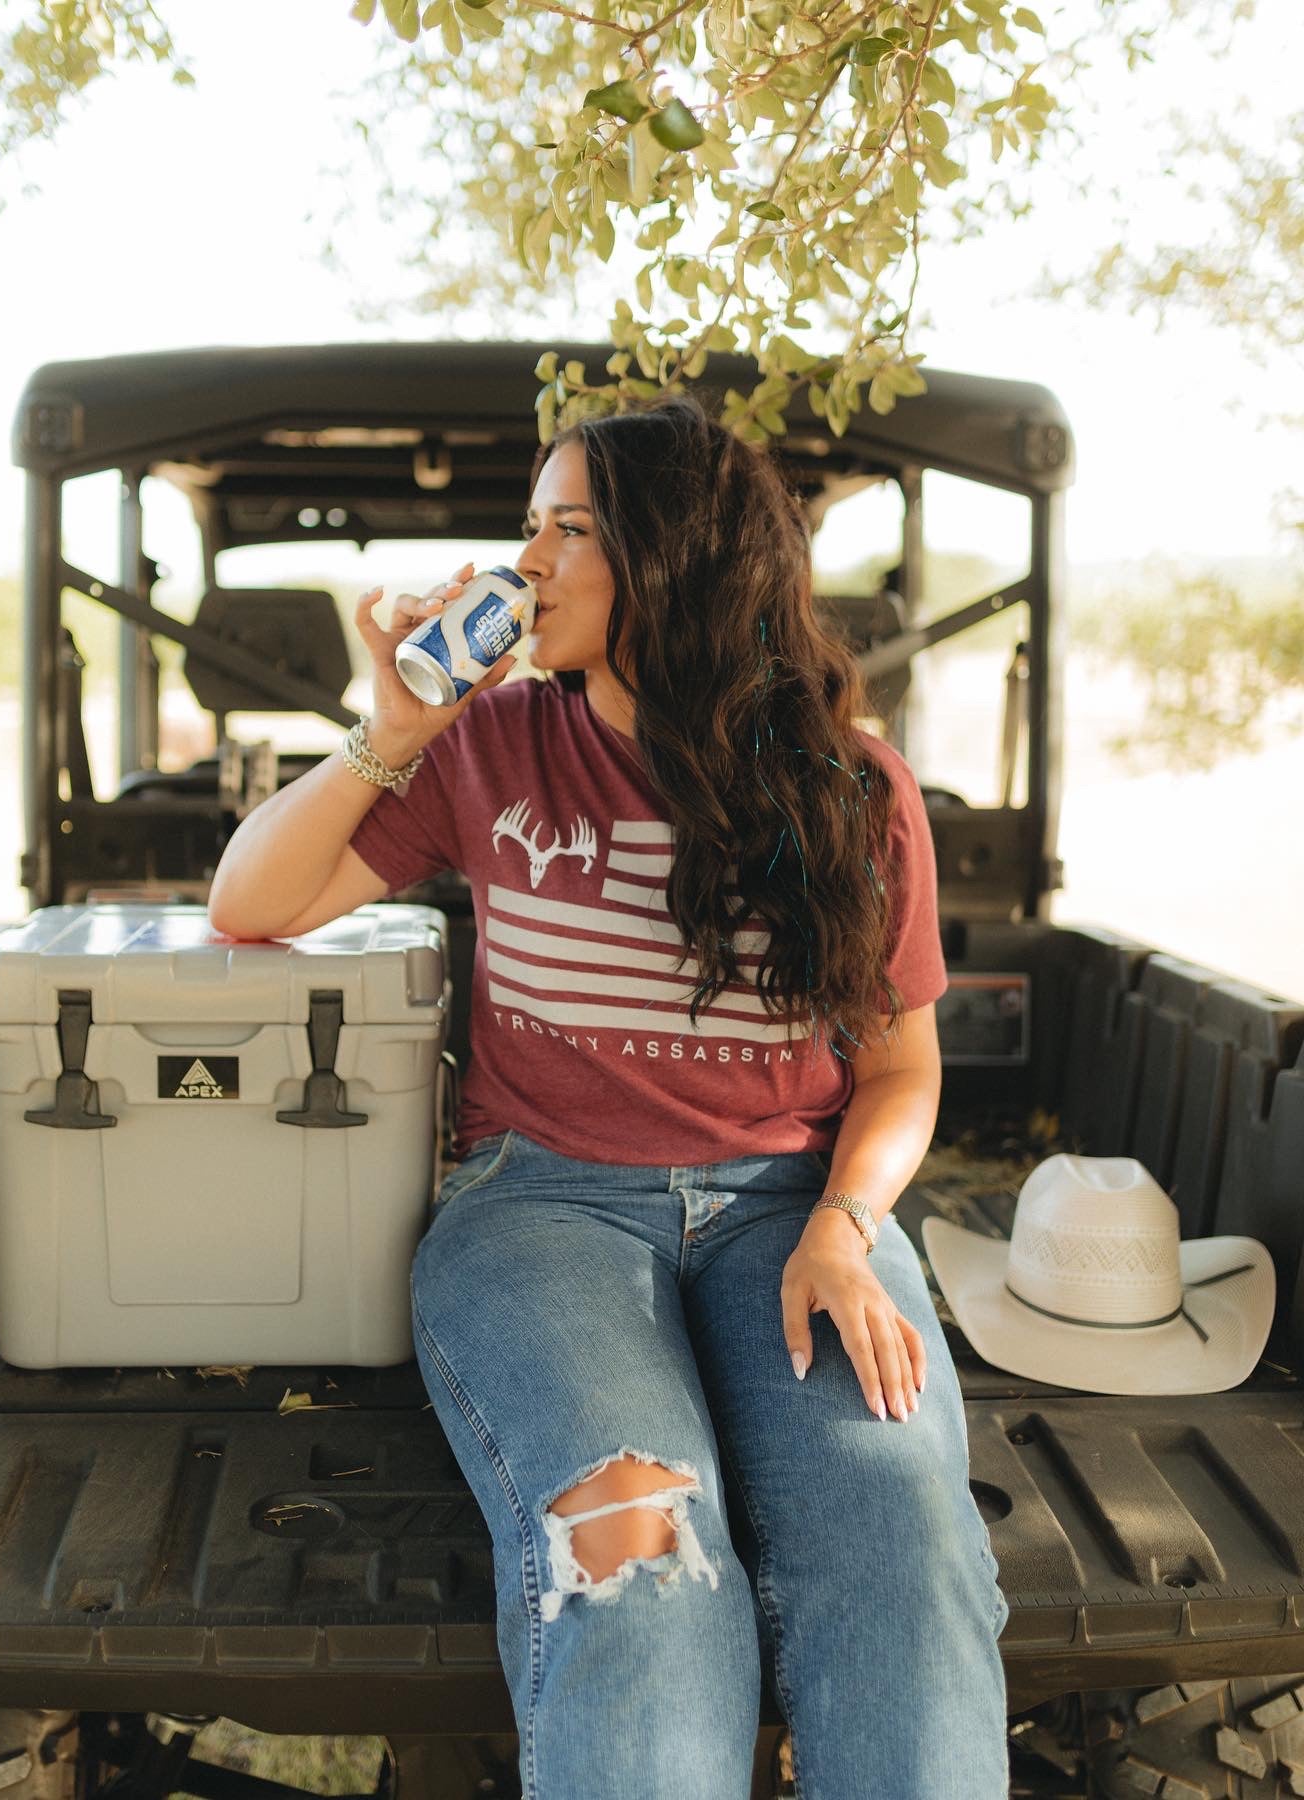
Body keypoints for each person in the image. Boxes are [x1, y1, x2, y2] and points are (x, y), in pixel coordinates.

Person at [207, 395, 1009, 1800]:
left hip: (796, 1214)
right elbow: (249, 903)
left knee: (905, 1541)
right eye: (528, 528)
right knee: (637, 1550)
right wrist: (390, 724)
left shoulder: (853, 790)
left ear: (681, 555)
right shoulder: (489, 742)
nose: (526, 565)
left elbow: (898, 1068)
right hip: (546, 1211)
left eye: (568, 531)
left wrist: (846, 1224)